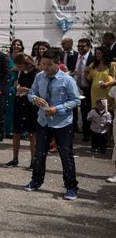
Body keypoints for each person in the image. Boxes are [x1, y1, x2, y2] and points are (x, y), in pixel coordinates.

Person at [25, 48, 81, 200]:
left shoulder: (67, 80)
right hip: (42, 121)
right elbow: (31, 93)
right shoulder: (39, 77)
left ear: (57, 64)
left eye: (49, 64)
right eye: (43, 63)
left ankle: (71, 187)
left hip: (62, 123)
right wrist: (35, 99)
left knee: (66, 155)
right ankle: (36, 181)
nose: (45, 67)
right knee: (39, 153)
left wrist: (58, 108)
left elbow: (76, 100)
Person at [6, 53, 38, 168]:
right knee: (16, 132)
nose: (18, 68)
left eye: (19, 66)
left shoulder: (36, 72)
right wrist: (18, 87)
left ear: (24, 64)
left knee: (31, 133)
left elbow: (38, 90)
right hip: (19, 102)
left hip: (31, 104)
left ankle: (34, 161)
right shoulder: (20, 72)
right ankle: (15, 159)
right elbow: (18, 84)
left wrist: (27, 90)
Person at [73, 38, 93, 142]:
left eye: (83, 46)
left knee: (86, 112)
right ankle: (72, 131)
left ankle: (86, 134)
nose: (80, 48)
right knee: (72, 111)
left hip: (87, 89)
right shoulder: (75, 56)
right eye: (79, 46)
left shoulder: (92, 59)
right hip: (74, 88)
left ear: (88, 47)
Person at [85, 46, 116, 110]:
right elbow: (89, 79)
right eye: (96, 53)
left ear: (104, 54)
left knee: (106, 111)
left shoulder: (112, 65)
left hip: (107, 93)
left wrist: (107, 84)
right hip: (95, 93)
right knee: (96, 113)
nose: (96, 55)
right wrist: (86, 72)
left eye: (99, 53)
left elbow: (115, 79)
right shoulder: (93, 64)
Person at [5, 38, 25, 138]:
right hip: (9, 86)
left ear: (21, 47)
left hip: (21, 85)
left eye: (18, 44)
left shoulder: (24, 57)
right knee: (9, 109)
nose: (16, 46)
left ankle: (21, 131)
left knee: (20, 110)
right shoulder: (8, 58)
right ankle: (9, 130)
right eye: (14, 44)